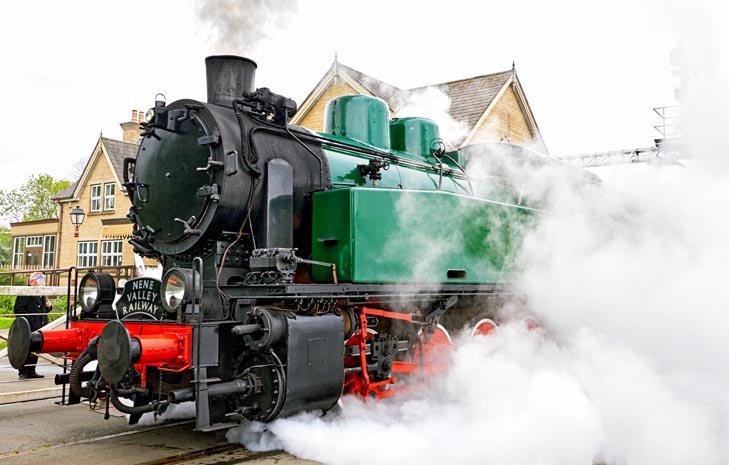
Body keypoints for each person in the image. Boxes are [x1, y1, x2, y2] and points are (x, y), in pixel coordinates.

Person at [13, 271, 52, 379]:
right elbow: (18, 310)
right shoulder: (25, 292)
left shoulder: (41, 292)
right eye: (40, 279)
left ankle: (32, 371)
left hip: (40, 325)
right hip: (29, 325)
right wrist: (30, 320)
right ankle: (23, 372)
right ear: (32, 281)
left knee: (36, 347)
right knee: (26, 348)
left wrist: (48, 307)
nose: (42, 281)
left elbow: (42, 309)